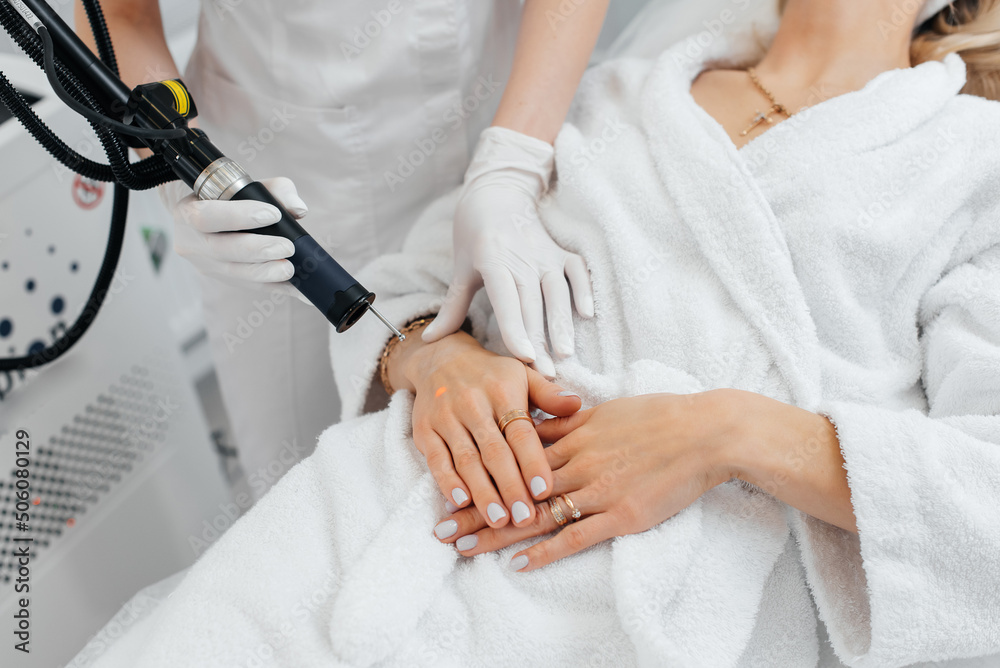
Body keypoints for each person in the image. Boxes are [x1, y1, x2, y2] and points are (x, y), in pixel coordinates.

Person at [75, 0, 1000, 665]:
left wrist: (727, 433)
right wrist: (429, 353)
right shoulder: (626, 94)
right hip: (410, 505)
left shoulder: (971, 166)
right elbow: (408, 286)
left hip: (657, 587)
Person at [77, 0, 606, 499]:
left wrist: (513, 164)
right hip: (280, 170)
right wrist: (180, 171)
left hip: (512, 110)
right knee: (303, 484)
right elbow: (120, 15)